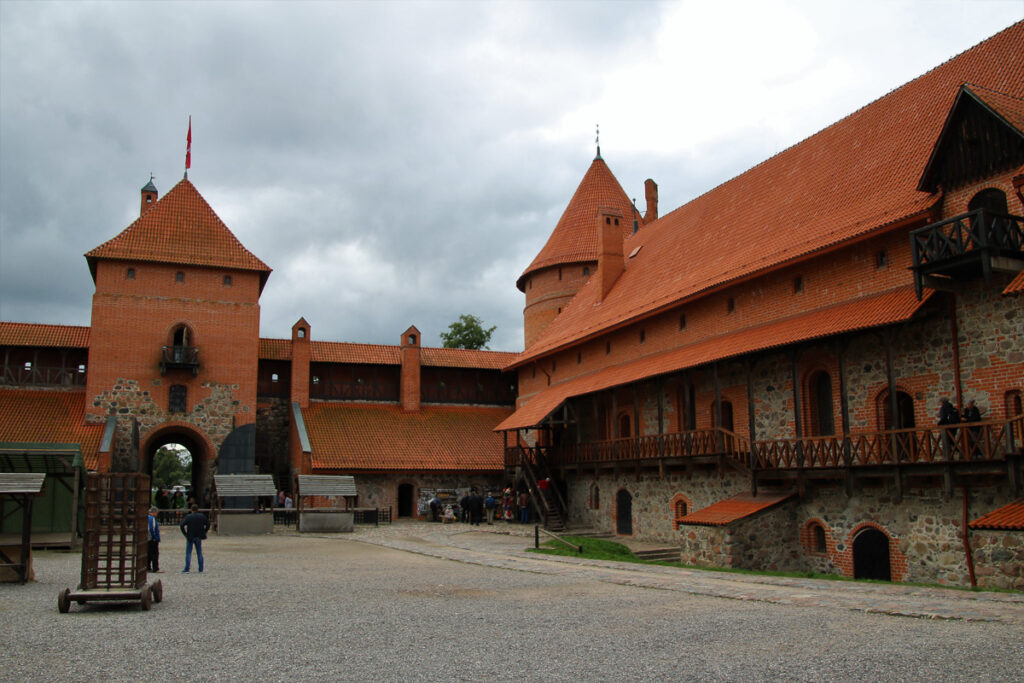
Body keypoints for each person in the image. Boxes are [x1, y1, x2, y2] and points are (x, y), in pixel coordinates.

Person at [180, 503, 210, 573]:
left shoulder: (188, 517)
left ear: (191, 510)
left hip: (190, 535)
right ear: (198, 509)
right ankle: (201, 569)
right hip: (199, 535)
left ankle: (187, 568)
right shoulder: (202, 516)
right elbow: (208, 524)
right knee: (199, 552)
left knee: (188, 552)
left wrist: (185, 534)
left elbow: (182, 525)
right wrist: (204, 532)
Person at [146, 506, 162, 573]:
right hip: (152, 539)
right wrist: (154, 537)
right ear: (154, 512)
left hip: (147, 539)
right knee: (155, 554)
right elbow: (152, 529)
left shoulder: (146, 517)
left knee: (148, 553)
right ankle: (156, 568)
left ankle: (147, 567)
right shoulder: (152, 519)